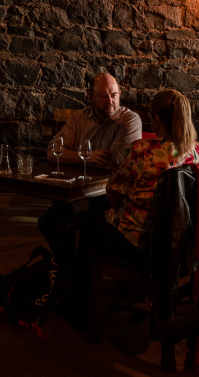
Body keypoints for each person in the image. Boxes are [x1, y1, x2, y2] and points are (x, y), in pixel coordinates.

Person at [71, 89, 199, 317]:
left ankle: (80, 307)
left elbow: (112, 193)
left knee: (88, 228)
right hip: (181, 243)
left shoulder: (142, 151)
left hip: (142, 244)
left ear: (156, 120)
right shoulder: (198, 152)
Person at [37, 73, 142, 294]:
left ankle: (75, 284)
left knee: (78, 226)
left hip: (111, 197)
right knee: (48, 222)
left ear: (120, 94)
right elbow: (52, 151)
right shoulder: (79, 118)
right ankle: (69, 276)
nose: (110, 101)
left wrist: (74, 155)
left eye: (114, 95)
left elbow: (116, 160)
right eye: (103, 96)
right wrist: (86, 156)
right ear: (91, 96)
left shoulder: (129, 120)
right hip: (79, 192)